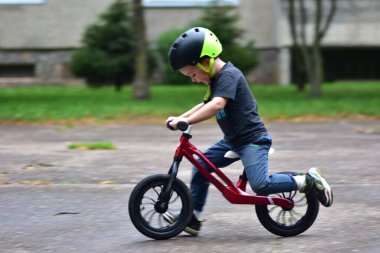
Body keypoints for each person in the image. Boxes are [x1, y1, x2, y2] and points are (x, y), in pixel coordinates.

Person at [164, 27, 333, 236]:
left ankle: (307, 180)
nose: (193, 79)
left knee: (260, 185)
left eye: (192, 74)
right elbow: (204, 104)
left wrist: (186, 121)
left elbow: (216, 105)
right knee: (200, 166)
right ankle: (193, 218)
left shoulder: (229, 75)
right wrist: (181, 117)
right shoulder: (216, 80)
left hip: (253, 141)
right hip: (233, 141)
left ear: (205, 62)